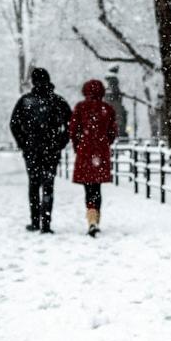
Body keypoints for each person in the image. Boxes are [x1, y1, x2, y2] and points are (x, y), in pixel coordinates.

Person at [9, 67, 71, 233]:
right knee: (48, 186)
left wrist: (23, 142)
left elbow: (14, 124)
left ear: (33, 82)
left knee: (34, 184)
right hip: (51, 149)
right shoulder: (58, 101)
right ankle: (46, 223)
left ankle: (35, 221)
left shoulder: (25, 101)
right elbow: (71, 124)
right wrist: (61, 142)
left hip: (32, 149)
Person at [69, 78, 119, 237]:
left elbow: (73, 130)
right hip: (100, 152)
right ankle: (96, 219)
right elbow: (113, 132)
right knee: (97, 187)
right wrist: (104, 143)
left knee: (88, 187)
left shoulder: (80, 108)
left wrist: (79, 145)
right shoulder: (107, 109)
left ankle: (91, 218)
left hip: (85, 151)